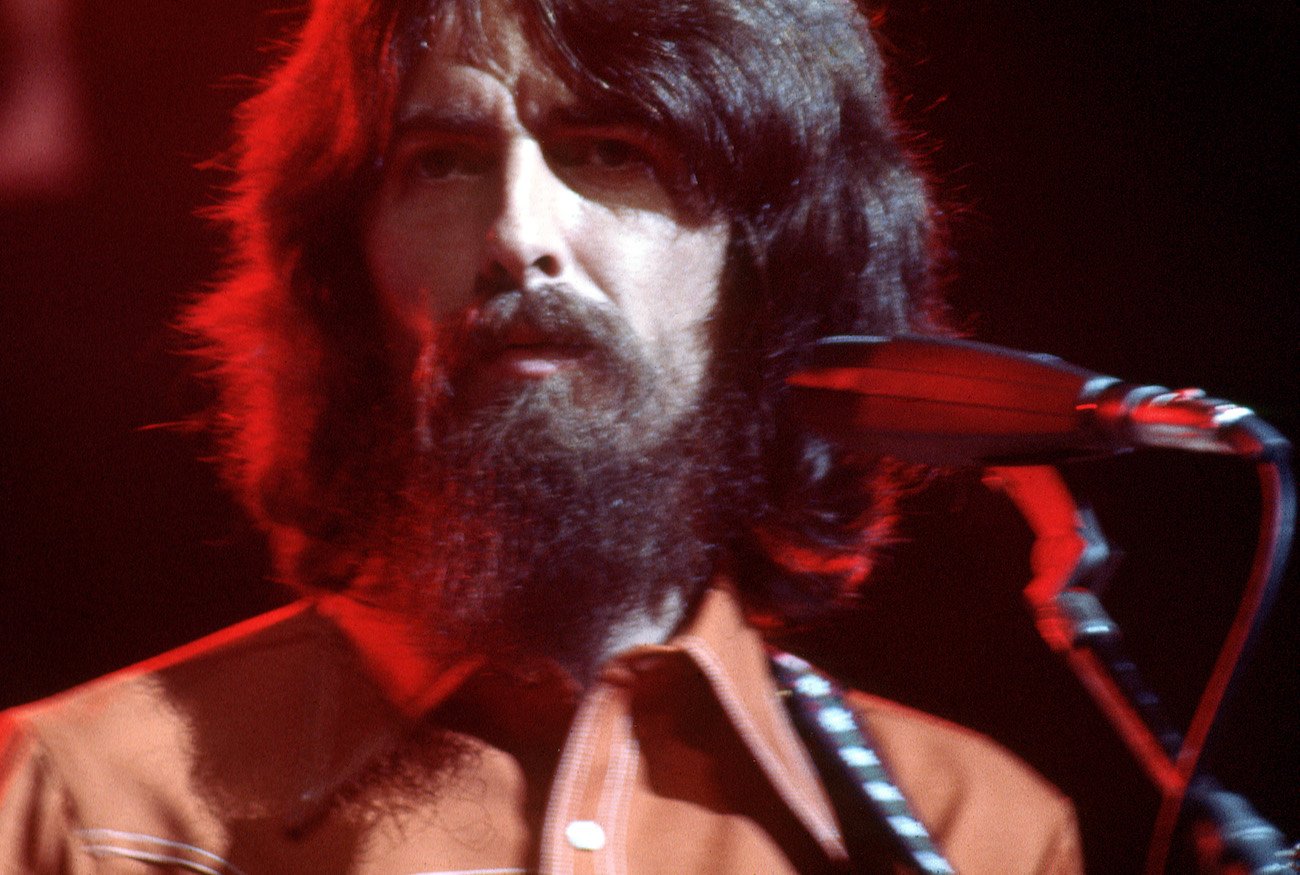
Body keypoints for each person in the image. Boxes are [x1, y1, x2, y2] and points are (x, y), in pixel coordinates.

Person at [0, 0, 1083, 871]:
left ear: (773, 265)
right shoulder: (95, 799)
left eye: (611, 151)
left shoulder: (970, 827)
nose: (519, 236)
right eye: (442, 162)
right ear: (348, 276)